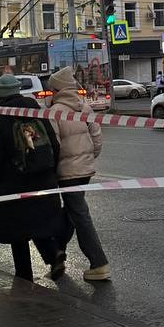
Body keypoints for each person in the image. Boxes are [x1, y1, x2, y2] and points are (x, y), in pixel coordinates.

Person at [0, 72, 66, 281]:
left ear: (0, 94)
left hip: (12, 182)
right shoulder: (35, 110)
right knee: (40, 222)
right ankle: (54, 254)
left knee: (16, 231)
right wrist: (49, 169)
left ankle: (24, 276)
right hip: (42, 177)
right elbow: (54, 145)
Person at [48, 67, 110, 282]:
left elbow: (54, 145)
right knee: (72, 213)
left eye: (52, 90)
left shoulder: (54, 110)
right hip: (84, 170)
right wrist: (89, 157)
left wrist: (54, 169)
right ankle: (57, 253)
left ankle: (99, 263)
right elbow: (96, 134)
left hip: (68, 172)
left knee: (80, 216)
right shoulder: (83, 105)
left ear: (57, 90)